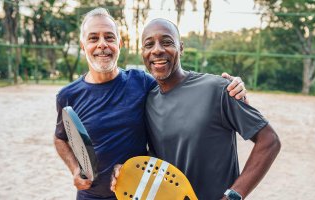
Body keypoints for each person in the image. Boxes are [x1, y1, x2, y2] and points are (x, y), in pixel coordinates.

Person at [54, 8, 247, 200]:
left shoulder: (142, 82)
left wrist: (233, 88)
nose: (102, 44)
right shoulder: (68, 95)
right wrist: (74, 169)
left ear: (120, 44)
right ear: (83, 45)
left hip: (141, 193)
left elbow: (177, 80)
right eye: (94, 38)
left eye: (110, 37)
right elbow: (60, 138)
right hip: (90, 196)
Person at [111, 19, 281, 200]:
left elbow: (269, 141)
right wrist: (123, 170)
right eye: (149, 44)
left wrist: (232, 196)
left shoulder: (219, 89)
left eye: (167, 42)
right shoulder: (148, 100)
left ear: (181, 48)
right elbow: (155, 160)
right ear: (143, 53)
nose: (157, 49)